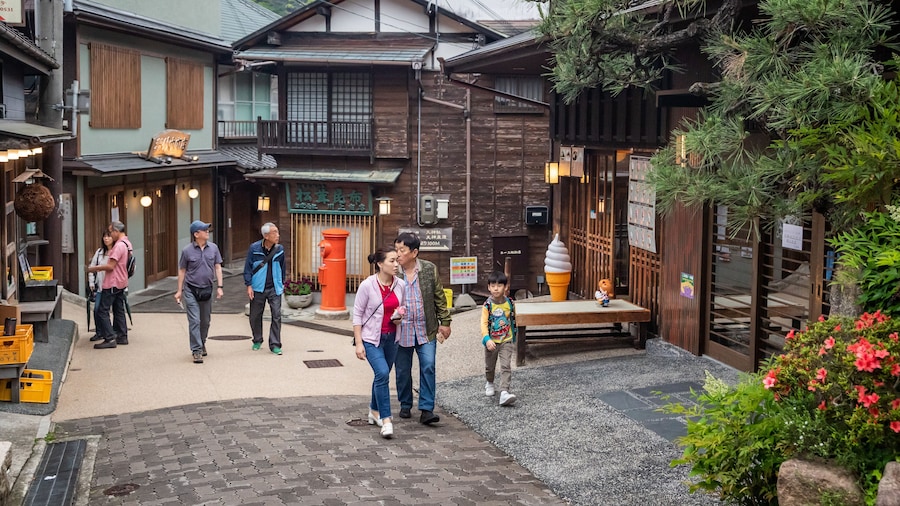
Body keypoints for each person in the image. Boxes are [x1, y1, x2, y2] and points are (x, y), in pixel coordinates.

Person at [393, 232, 452, 425]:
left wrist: (445, 322)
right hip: (401, 331)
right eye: (396, 250)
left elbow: (439, 297)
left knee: (428, 366)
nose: (398, 254)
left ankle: (427, 409)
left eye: (402, 250)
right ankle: (405, 403)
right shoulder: (393, 271)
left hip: (426, 329)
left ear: (414, 252)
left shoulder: (428, 269)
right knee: (402, 370)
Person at [352, 247, 405, 439]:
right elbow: (357, 315)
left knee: (381, 376)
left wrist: (399, 317)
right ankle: (386, 420)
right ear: (380, 264)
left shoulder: (400, 285)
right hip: (371, 339)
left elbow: (401, 307)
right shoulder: (367, 285)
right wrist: (359, 343)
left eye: (397, 260)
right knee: (382, 373)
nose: (396, 264)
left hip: (392, 338)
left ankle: (374, 411)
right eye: (392, 261)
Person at [175, 221, 224, 364]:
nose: (207, 231)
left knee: (206, 321)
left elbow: (218, 267)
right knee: (194, 320)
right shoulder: (187, 251)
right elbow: (182, 270)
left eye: (207, 229)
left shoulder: (213, 248)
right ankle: (196, 350)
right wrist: (179, 291)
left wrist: (220, 286)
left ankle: (202, 343)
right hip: (191, 289)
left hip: (207, 288)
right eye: (204, 230)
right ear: (196, 234)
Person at [86, 221, 131, 349]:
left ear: (116, 231)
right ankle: (122, 336)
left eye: (111, 232)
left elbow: (111, 266)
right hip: (122, 281)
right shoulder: (127, 243)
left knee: (102, 310)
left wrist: (94, 269)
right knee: (118, 309)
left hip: (112, 282)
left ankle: (110, 338)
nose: (109, 235)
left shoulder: (118, 246)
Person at [243, 222, 285, 355]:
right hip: (258, 287)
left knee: (277, 315)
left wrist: (281, 283)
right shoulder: (254, 248)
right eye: (274, 233)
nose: (277, 235)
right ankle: (257, 339)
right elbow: (248, 268)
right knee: (255, 315)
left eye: (277, 232)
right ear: (266, 236)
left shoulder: (280, 249)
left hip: (274, 287)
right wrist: (248, 285)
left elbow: (283, 267)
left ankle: (275, 344)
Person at [481, 271, 517, 406]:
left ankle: (504, 391)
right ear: (489, 287)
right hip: (491, 341)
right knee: (490, 366)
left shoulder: (510, 303)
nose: (496, 288)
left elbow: (512, 319)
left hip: (506, 339)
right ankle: (489, 382)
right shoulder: (487, 305)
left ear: (505, 287)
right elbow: (483, 323)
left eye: (499, 285)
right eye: (493, 285)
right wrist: (486, 339)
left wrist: (514, 335)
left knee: (506, 365)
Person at [87, 230, 113, 341]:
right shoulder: (99, 252)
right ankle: (100, 332)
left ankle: (110, 333)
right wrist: (91, 283)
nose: (106, 239)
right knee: (97, 309)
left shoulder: (115, 252)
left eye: (108, 236)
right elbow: (91, 268)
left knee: (105, 310)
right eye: (104, 237)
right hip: (100, 286)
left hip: (112, 286)